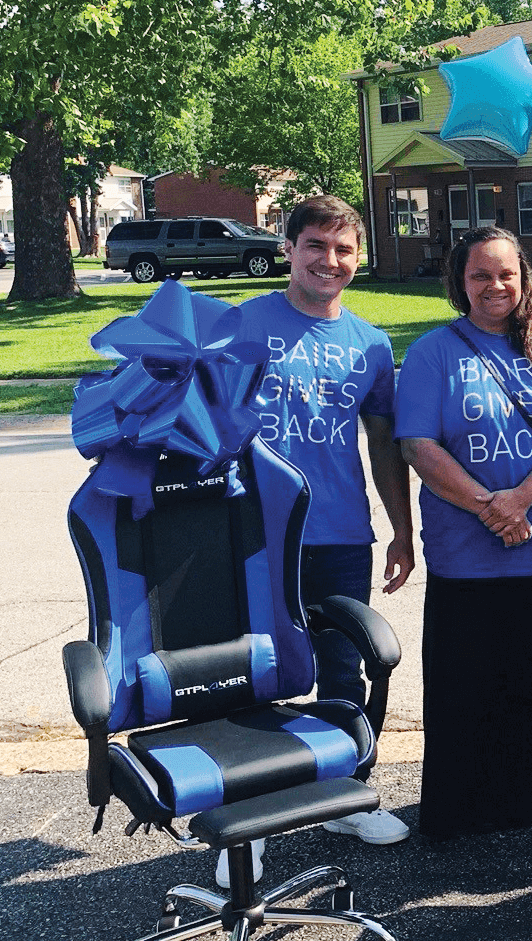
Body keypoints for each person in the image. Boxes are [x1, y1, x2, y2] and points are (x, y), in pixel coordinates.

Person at [229, 195, 415, 887]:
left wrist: (402, 527)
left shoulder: (369, 342)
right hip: (251, 529)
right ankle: (245, 822)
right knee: (254, 671)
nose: (329, 261)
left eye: (343, 249)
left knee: (344, 668)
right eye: (315, 245)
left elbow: (384, 442)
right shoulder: (242, 325)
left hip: (339, 530)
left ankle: (343, 792)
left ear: (358, 256)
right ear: (288, 247)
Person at [396, 226, 532, 839]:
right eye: (480, 274)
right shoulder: (433, 352)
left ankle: (527, 782)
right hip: (466, 549)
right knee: (468, 673)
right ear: (460, 282)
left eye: (505, 272)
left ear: (523, 276)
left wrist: (523, 501)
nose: (495, 285)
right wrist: (492, 507)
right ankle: (467, 802)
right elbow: (418, 444)